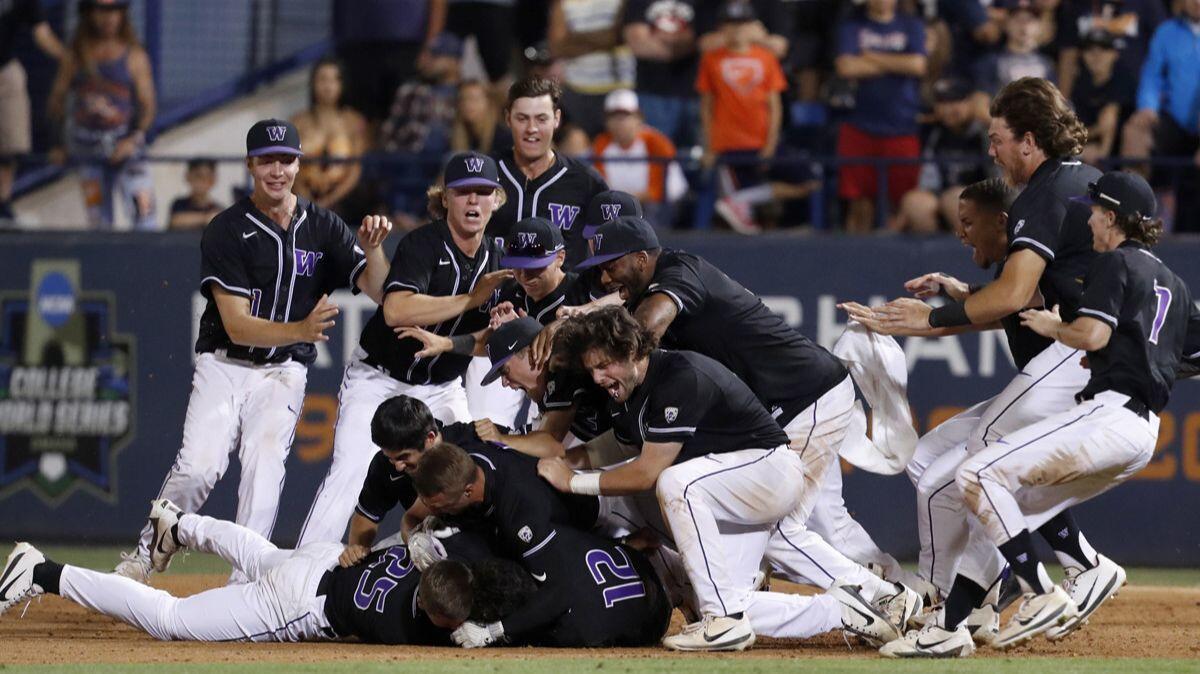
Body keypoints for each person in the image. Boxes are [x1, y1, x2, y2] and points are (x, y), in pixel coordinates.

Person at [868, 77, 1112, 657]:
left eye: (998, 138)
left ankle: (953, 611)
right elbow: (1024, 297)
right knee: (943, 463)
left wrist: (926, 321)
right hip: (1089, 353)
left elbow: (1012, 295)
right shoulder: (1077, 182)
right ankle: (974, 599)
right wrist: (961, 295)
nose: (993, 151)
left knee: (979, 469)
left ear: (1030, 140)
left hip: (1081, 358)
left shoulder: (1044, 195)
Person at [575, 216, 922, 597]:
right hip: (787, 407)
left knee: (778, 530)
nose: (605, 279)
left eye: (612, 267)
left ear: (641, 258)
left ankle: (885, 598)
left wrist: (594, 332)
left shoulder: (678, 273)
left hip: (804, 399)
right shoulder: (649, 286)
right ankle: (905, 588)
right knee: (827, 521)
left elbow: (646, 329)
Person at [534, 307, 914, 651]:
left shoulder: (679, 375)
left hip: (767, 471)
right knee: (724, 592)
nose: (599, 378)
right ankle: (854, 606)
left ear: (631, 350)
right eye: (592, 370)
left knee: (674, 483)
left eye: (605, 365)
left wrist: (573, 482)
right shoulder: (629, 393)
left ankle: (723, 621)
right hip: (732, 487)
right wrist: (561, 460)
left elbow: (646, 471)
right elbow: (611, 450)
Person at [113, 119, 393, 582]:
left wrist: (374, 250)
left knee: (263, 473)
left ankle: (244, 584)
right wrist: (300, 328)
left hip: (282, 372)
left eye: (286, 159)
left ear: (299, 163)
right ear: (250, 165)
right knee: (198, 468)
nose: (277, 170)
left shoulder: (325, 227)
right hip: (224, 364)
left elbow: (383, 293)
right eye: (267, 160)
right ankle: (147, 553)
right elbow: (238, 326)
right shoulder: (226, 229)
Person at [965, 170, 1195, 649]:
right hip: (1145, 430)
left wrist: (1054, 327)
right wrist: (1148, 361)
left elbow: (1091, 336)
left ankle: (1039, 594)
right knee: (1018, 505)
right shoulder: (1173, 283)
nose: (1088, 218)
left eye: (1094, 210)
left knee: (980, 475)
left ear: (1112, 217)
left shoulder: (1115, 263)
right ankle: (967, 613)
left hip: (1108, 415)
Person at [295, 151, 511, 548]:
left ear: (497, 199)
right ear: (445, 198)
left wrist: (454, 340)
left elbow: (495, 342)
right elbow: (395, 310)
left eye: (483, 192)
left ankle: (464, 563)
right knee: (351, 469)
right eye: (463, 192)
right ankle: (302, 576)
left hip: (443, 387)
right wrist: (468, 300)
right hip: (379, 378)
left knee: (465, 473)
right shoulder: (424, 244)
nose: (473, 201)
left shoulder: (499, 260)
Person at [0, 503, 452, 644]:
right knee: (171, 620)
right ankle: (43, 571)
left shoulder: (445, 558)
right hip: (301, 603)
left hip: (327, 558)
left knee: (262, 556)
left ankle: (180, 524)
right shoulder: (422, 624)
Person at [47, 0, 157, 230]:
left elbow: (148, 106)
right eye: (102, 10)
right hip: (88, 151)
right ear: (89, 13)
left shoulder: (134, 55)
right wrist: (57, 143)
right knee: (98, 224)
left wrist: (133, 139)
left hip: (126, 150)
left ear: (123, 14)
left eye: (115, 10)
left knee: (144, 215)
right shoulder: (76, 55)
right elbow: (56, 101)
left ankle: (146, 265)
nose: (109, 17)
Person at [490, 76, 609, 268]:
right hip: (494, 293)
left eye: (541, 118)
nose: (532, 129)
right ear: (507, 119)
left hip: (565, 296)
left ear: (557, 119)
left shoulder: (585, 181)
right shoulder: (485, 174)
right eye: (522, 118)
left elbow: (614, 247)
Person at [833, 0, 927, 232]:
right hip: (859, 126)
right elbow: (846, 68)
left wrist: (869, 56)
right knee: (859, 204)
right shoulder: (851, 26)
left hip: (902, 126)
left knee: (902, 204)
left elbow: (917, 65)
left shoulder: (911, 25)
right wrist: (896, 63)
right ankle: (854, 261)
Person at [697, 1, 786, 234]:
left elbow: (775, 106)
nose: (736, 30)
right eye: (730, 24)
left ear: (752, 27)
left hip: (759, 140)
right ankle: (735, 206)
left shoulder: (766, 58)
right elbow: (706, 106)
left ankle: (735, 204)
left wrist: (771, 143)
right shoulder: (711, 59)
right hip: (727, 142)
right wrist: (710, 145)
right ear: (722, 28)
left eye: (742, 23)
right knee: (739, 220)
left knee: (807, 180)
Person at [1122, 0, 1200, 232]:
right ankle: (1133, 223)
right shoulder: (1166, 32)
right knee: (1135, 130)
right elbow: (1151, 76)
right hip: (1174, 121)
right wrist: (1148, 107)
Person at [897, 77, 990, 234]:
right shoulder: (933, 132)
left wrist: (986, 117)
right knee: (915, 202)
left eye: (955, 101)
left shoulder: (985, 132)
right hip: (942, 197)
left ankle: (975, 255)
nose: (947, 109)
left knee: (957, 199)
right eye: (942, 103)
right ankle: (937, 255)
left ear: (970, 103)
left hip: (988, 202)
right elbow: (927, 180)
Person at [0, 0, 64, 224]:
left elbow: (42, 34)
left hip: (4, 68)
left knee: (11, 146)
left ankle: (3, 205)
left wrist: (70, 60)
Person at [591, 89, 688, 227]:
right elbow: (600, 188)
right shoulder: (601, 145)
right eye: (613, 116)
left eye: (625, 115)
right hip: (616, 208)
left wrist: (631, 199)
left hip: (654, 206)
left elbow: (663, 190)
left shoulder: (656, 143)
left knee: (653, 210)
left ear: (638, 118)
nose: (619, 122)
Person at [291, 56, 368, 220]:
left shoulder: (354, 122)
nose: (328, 86)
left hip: (345, 201)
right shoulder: (297, 122)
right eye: (322, 79)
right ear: (313, 83)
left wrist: (328, 202)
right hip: (302, 198)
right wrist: (306, 200)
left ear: (342, 84)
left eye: (334, 80)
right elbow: (290, 164)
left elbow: (355, 170)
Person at [620, 0, 706, 146]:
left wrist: (660, 38)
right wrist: (683, 44)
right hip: (652, 94)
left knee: (699, 159)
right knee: (656, 157)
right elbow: (639, 43)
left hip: (697, 93)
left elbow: (703, 39)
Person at [547, 0, 636, 137]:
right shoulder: (564, 3)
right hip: (578, 91)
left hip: (622, 88)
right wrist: (605, 38)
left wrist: (573, 39)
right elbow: (557, 47)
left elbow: (620, 34)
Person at [1071, 31, 1134, 167]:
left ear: (1114, 54)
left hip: (1118, 157)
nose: (1096, 56)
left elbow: (1107, 125)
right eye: (1090, 50)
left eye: (1104, 50)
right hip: (1085, 150)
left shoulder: (1122, 80)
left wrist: (1099, 155)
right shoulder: (1079, 84)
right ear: (1082, 55)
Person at [970, 0, 1056, 95]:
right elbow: (982, 102)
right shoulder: (990, 63)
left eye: (1029, 20)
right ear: (1006, 24)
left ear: (1039, 26)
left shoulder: (1047, 64)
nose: (1024, 25)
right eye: (1017, 19)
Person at [450, 80, 512, 155]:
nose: (467, 104)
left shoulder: (504, 139)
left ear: (489, 102)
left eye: (474, 99)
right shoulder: (457, 137)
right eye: (463, 99)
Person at [167, 159, 223, 230]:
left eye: (207, 177)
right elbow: (176, 221)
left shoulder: (218, 208)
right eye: (198, 176)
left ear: (213, 180)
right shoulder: (179, 204)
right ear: (188, 177)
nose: (202, 181)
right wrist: (206, 218)